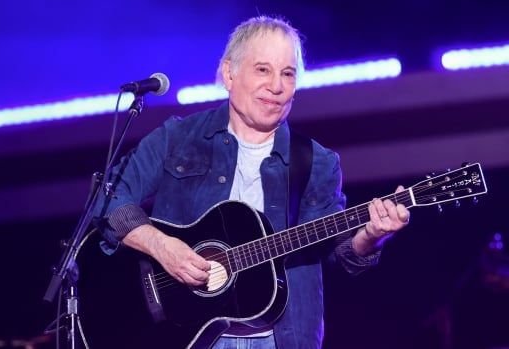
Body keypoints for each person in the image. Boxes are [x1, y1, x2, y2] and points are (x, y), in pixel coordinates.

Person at [93, 15, 410, 349]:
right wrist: (163, 247)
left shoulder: (317, 162)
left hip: (280, 339)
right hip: (185, 336)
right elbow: (108, 199)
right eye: (263, 70)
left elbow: (339, 254)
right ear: (229, 73)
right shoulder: (178, 137)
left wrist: (372, 236)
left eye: (287, 74)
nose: (276, 85)